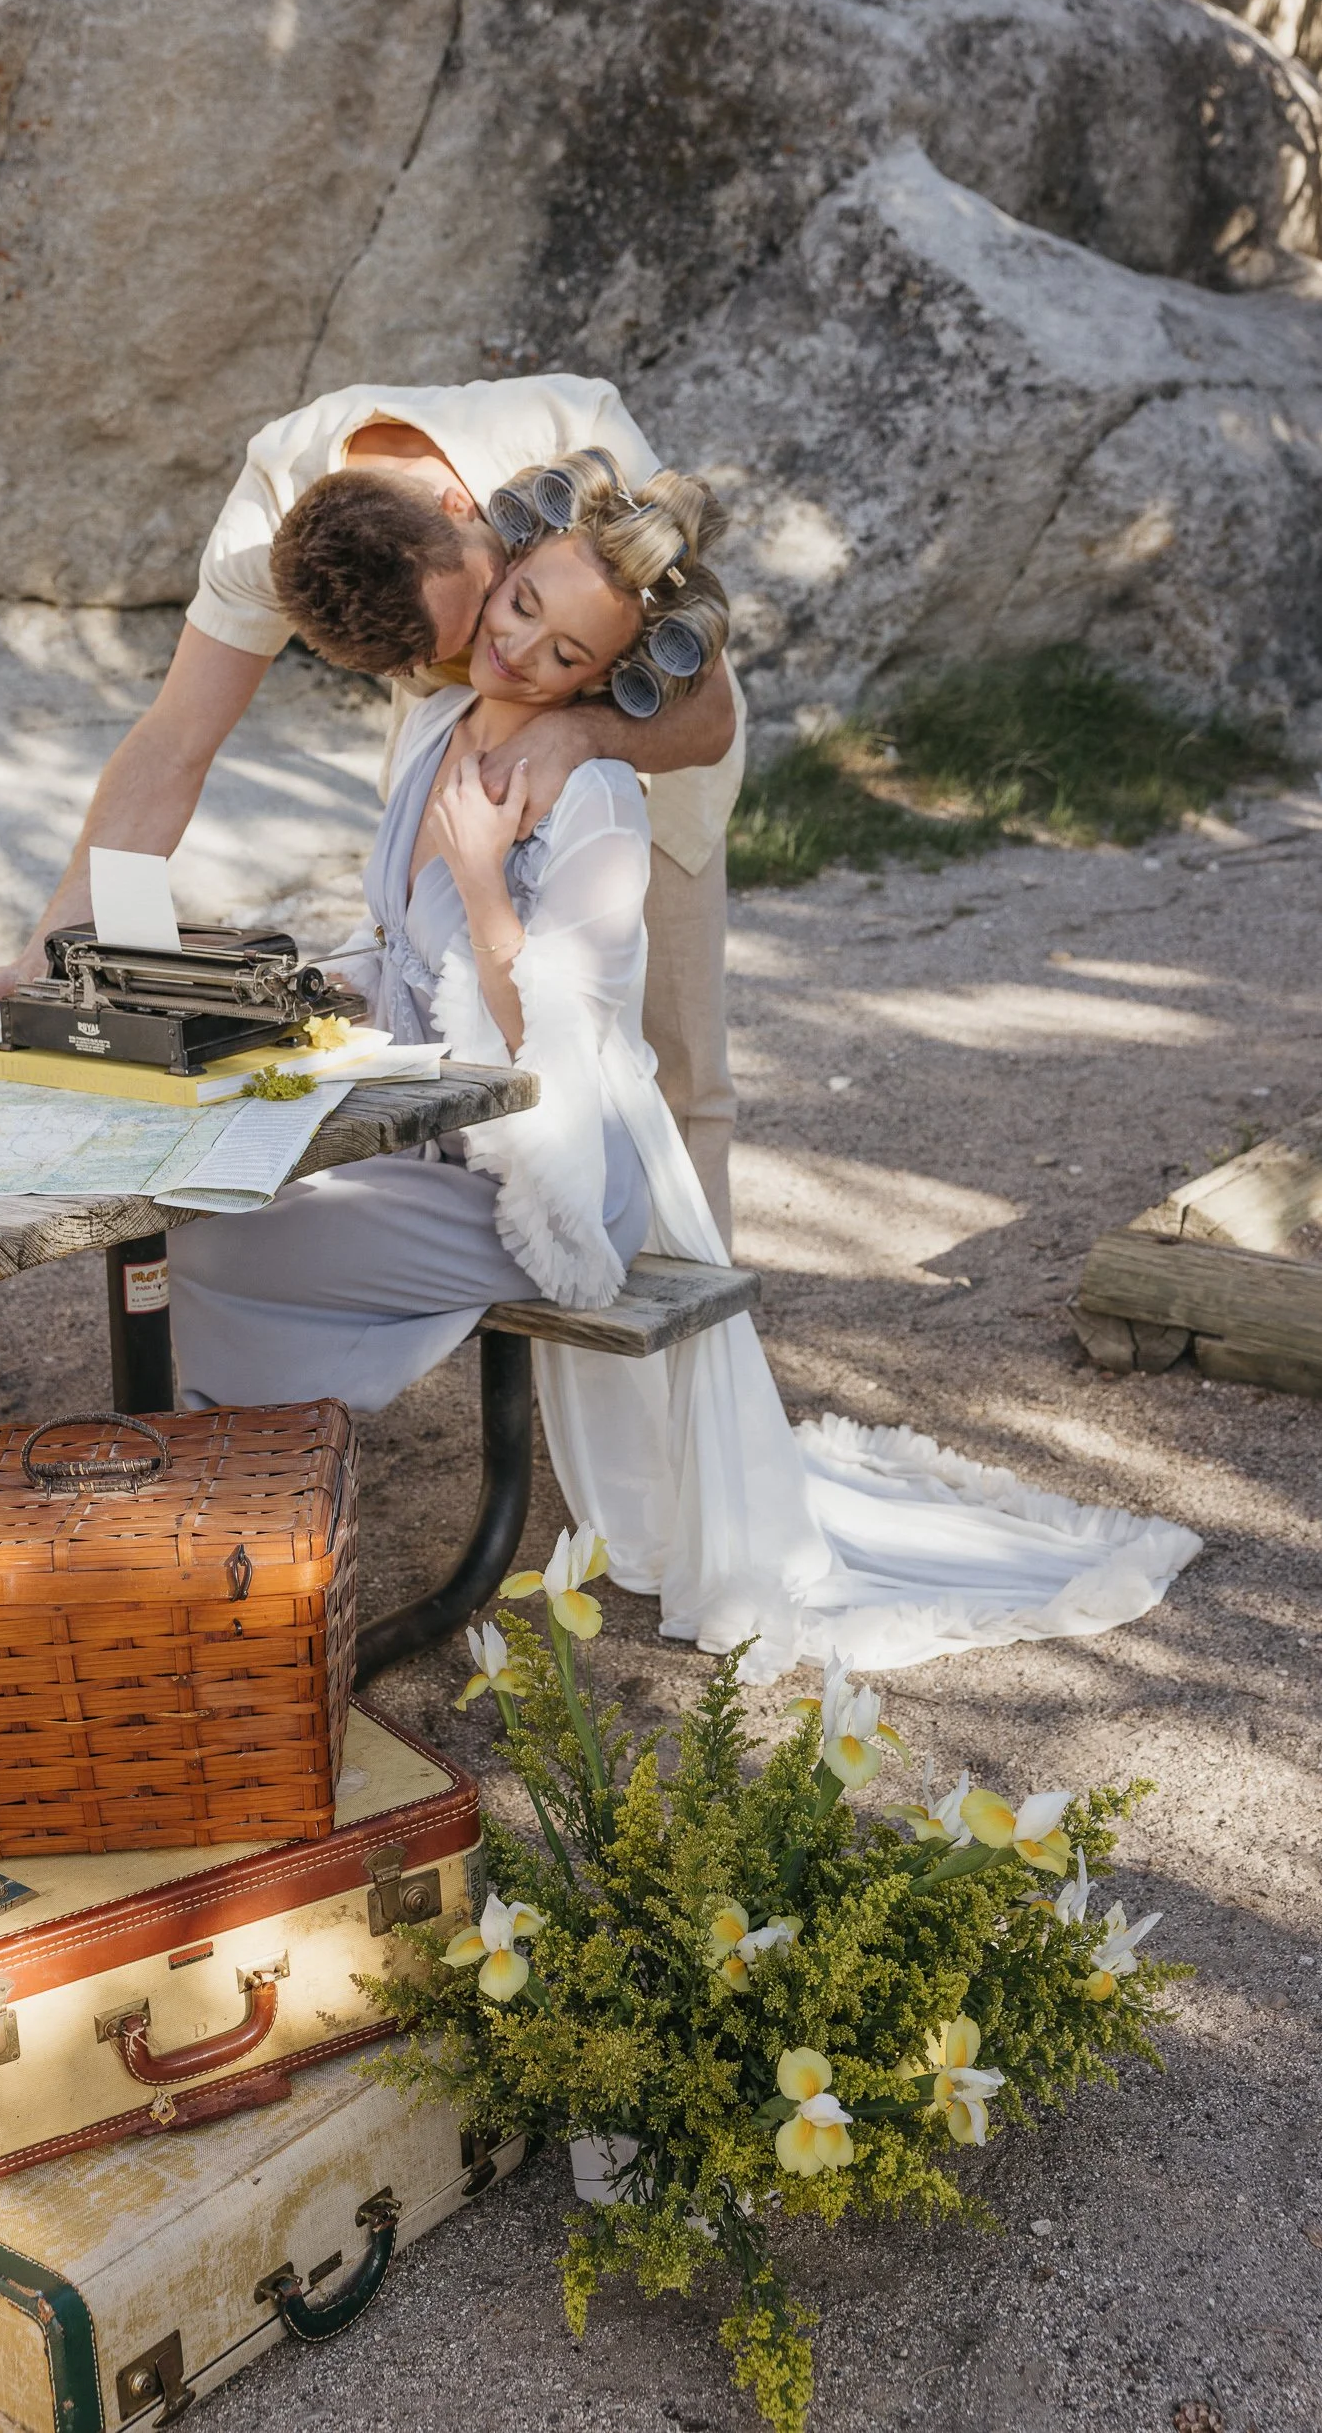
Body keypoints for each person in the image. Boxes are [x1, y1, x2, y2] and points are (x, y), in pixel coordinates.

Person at [167, 451, 1200, 1679]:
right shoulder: (439, 728)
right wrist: (272, 992)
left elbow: (568, 1036)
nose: (521, 652)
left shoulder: (593, 795)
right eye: (520, 609)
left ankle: (215, 1521)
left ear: (604, 681)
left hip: (547, 1174)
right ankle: (220, 1502)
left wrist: (490, 881)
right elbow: (398, 956)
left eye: (564, 657)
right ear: (493, 578)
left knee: (220, 1234)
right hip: (442, 1126)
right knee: (204, 1182)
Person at [0, 377, 743, 1235]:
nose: (498, 648)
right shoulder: (266, 519)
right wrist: (53, 946)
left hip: (639, 756)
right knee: (422, 1029)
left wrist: (575, 737)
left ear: (463, 507)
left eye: (489, 603)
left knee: (659, 1080)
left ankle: (667, 1325)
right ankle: (441, 1278)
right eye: (444, 655)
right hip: (453, 768)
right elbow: (173, 743)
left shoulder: (568, 426)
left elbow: (708, 716)